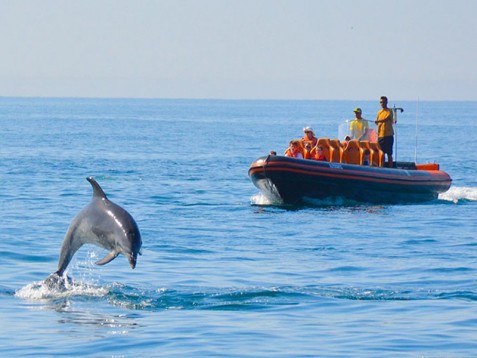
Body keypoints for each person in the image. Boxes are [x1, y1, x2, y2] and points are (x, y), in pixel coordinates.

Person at [375, 96, 394, 167]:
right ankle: (381, 167)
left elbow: (386, 119)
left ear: (386, 102)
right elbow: (377, 122)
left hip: (388, 135)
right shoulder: (379, 112)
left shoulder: (389, 111)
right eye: (381, 102)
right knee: (381, 153)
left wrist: (379, 121)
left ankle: (390, 168)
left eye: (383, 102)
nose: (382, 103)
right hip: (381, 135)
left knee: (389, 153)